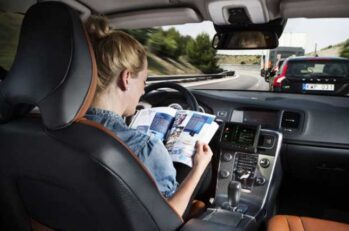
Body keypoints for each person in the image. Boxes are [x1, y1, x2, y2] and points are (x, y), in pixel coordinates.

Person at [84, 16, 213, 218]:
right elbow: (168, 219)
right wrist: (199, 167)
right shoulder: (145, 147)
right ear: (126, 78)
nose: (143, 91)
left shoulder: (61, 128)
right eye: (144, 81)